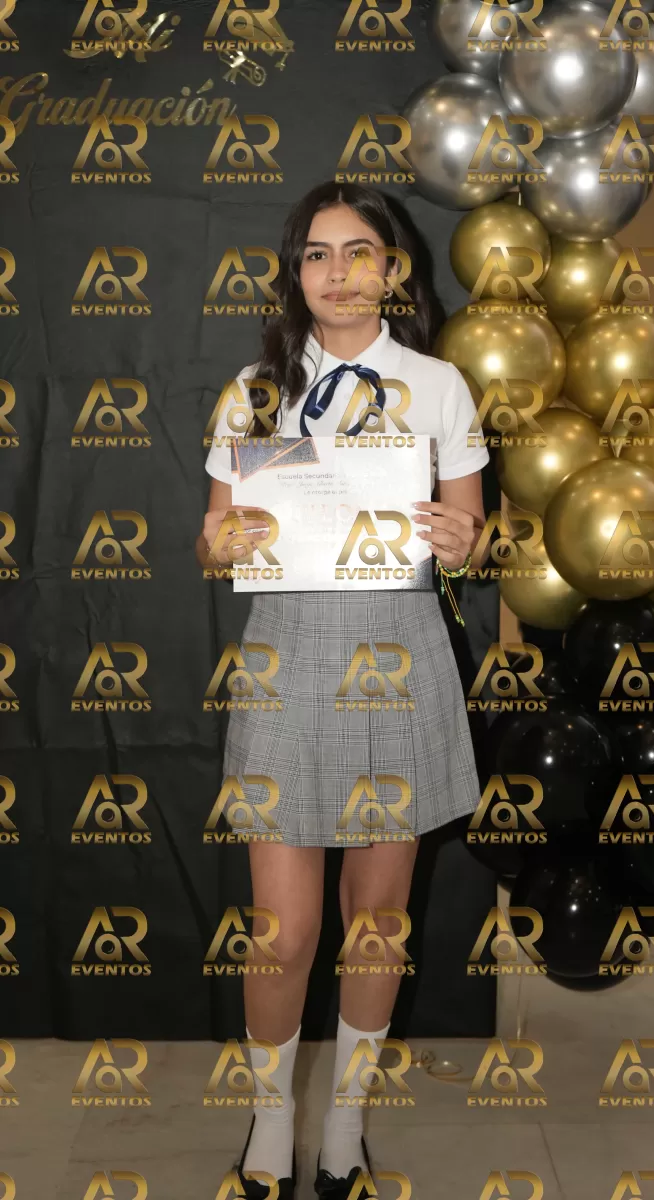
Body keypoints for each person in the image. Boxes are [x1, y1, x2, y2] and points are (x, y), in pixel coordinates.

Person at [195, 180, 490, 1200]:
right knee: (282, 933)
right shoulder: (256, 391)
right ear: (296, 272)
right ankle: (271, 1122)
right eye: (315, 254)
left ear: (391, 269)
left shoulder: (437, 386)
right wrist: (223, 541)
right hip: (286, 666)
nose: (336, 272)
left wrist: (461, 540)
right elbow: (212, 540)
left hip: (398, 661)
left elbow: (467, 533)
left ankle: (346, 1132)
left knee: (377, 923)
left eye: (357, 251)